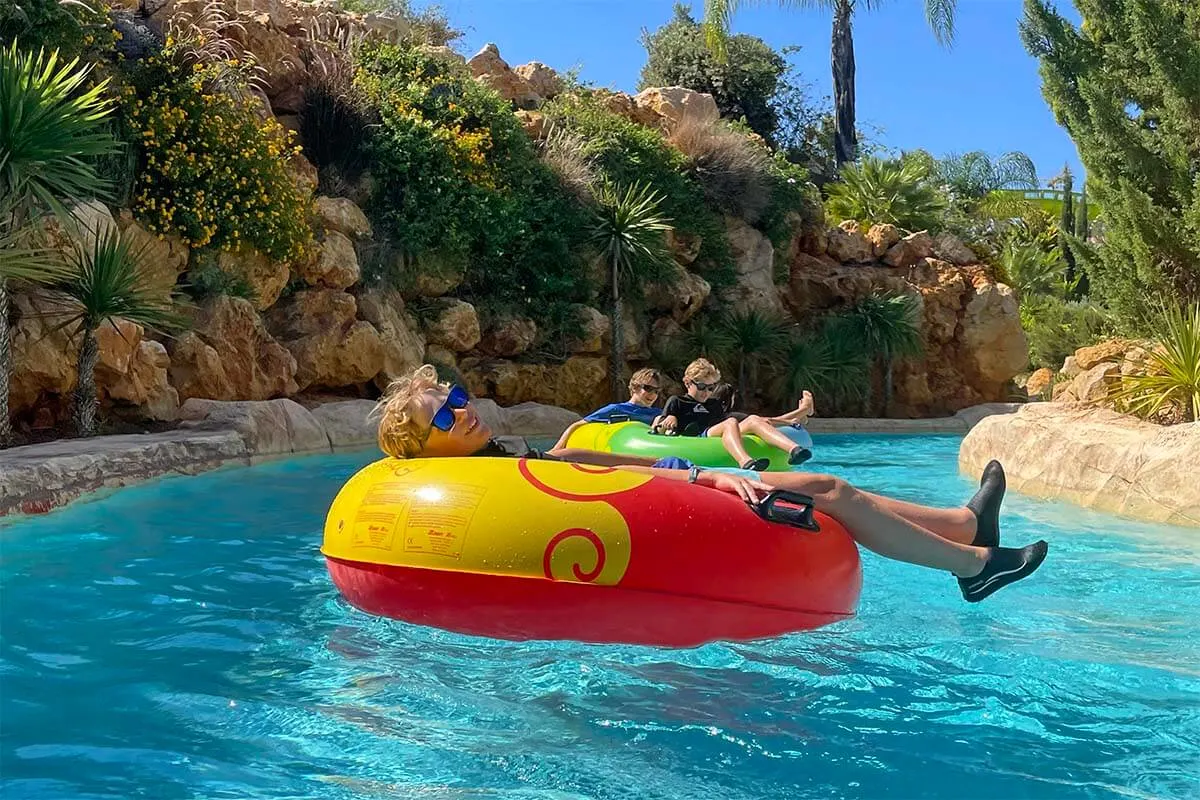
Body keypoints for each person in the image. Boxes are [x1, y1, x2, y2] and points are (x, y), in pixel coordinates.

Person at [372, 364, 1049, 603]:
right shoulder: (474, 478)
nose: (460, 406)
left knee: (831, 482)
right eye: (442, 410)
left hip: (666, 489)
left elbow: (584, 465)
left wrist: (696, 471)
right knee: (833, 495)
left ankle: (963, 528)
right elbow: (580, 475)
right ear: (419, 446)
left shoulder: (502, 452)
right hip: (662, 508)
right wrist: (712, 479)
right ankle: (973, 565)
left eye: (455, 393)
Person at [653, 359, 811, 471]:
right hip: (697, 436)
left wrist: (790, 422)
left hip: (716, 431)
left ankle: (795, 450)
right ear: (688, 383)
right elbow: (658, 425)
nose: (706, 392)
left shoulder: (713, 404)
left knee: (753, 419)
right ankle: (745, 461)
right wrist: (670, 418)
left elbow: (739, 422)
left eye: (711, 388)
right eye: (702, 387)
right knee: (731, 422)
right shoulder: (677, 401)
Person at [552, 368, 663, 450]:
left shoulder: (660, 414)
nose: (652, 394)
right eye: (648, 388)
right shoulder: (616, 409)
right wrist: (555, 450)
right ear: (635, 387)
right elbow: (577, 425)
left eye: (656, 391)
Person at [710, 382, 815, 428]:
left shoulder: (714, 412)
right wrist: (787, 422)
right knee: (769, 420)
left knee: (771, 420)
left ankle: (803, 412)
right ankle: (804, 410)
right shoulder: (729, 416)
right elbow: (763, 420)